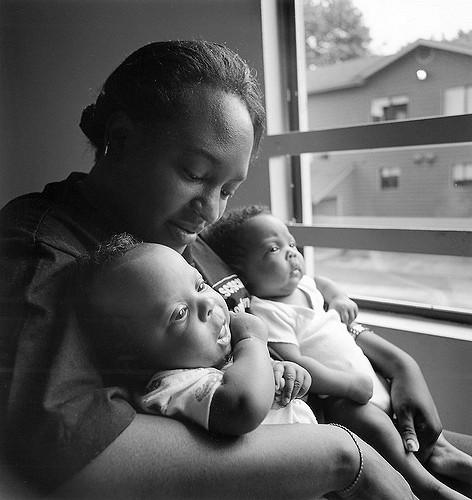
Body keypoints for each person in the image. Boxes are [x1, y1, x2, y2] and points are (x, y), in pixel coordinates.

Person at [0, 38, 424, 499]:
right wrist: (345, 457)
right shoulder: (39, 254)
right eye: (196, 175)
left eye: (227, 189)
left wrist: (398, 363)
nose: (211, 210)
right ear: (120, 140)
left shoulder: (182, 232)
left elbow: (290, 293)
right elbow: (77, 454)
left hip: (354, 421)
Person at [203, 205, 472, 499]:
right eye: (274, 249)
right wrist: (347, 385)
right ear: (242, 272)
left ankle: (444, 453)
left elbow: (321, 283)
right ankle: (425, 485)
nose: (292, 253)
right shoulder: (268, 311)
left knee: (410, 421)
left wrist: (338, 297)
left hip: (368, 376)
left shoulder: (303, 285)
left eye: (291, 243)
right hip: (342, 395)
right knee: (379, 429)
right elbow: (294, 361)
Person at [78, 234, 317, 434]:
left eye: (200, 285)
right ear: (134, 357)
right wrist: (253, 341)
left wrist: (280, 374)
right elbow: (244, 405)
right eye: (180, 313)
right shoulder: (172, 386)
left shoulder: (222, 356)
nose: (207, 304)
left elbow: (265, 391)